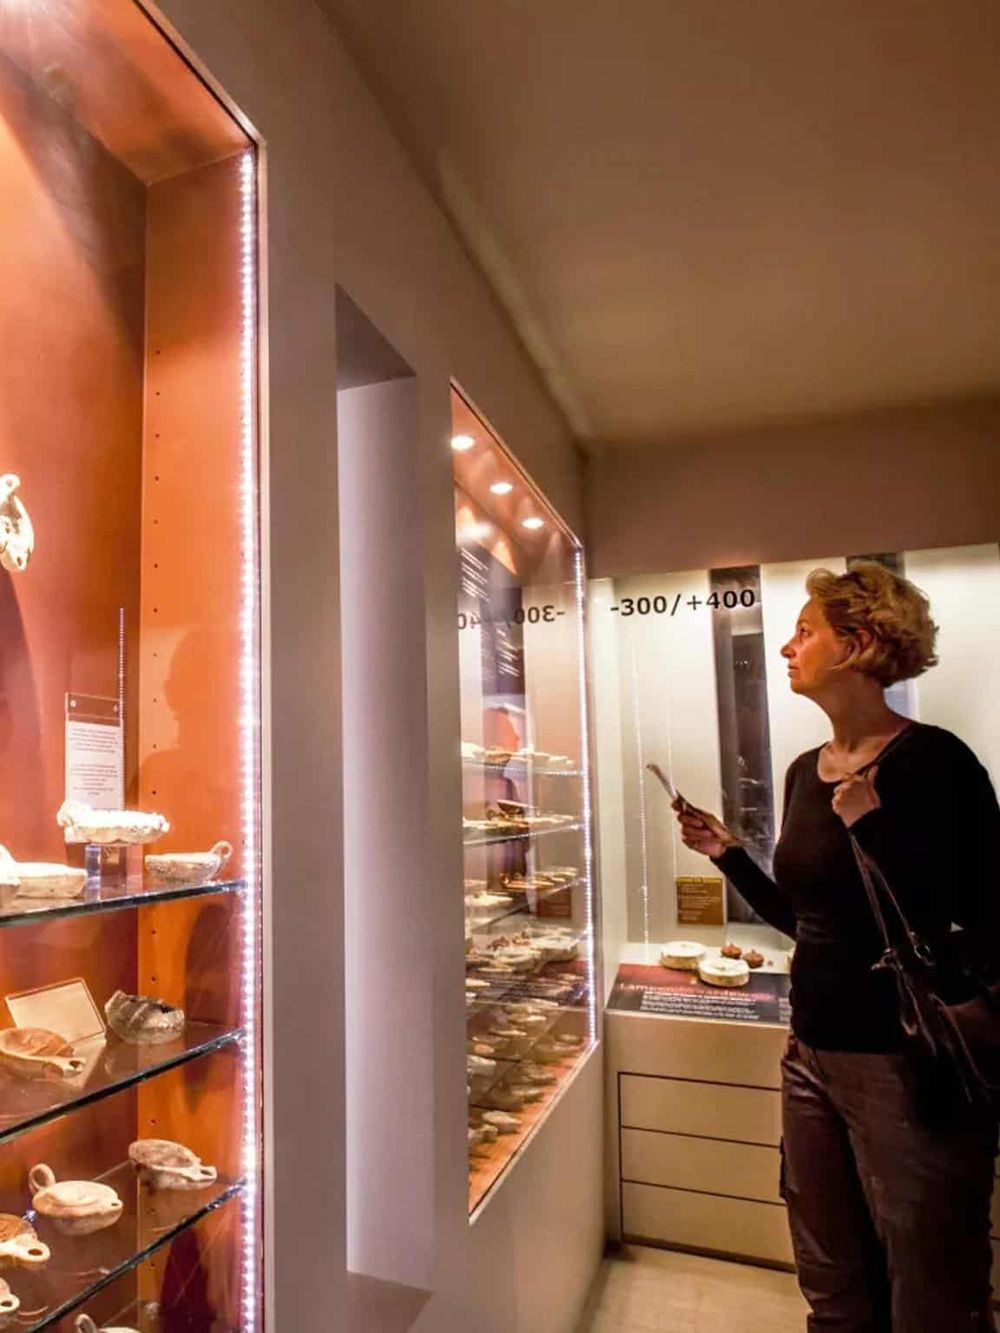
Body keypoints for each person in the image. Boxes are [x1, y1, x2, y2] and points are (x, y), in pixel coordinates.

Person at [676, 562, 1000, 1333]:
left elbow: (983, 919)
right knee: (830, 1273)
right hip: (810, 1052)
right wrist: (729, 856)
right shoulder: (802, 773)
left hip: (907, 1062)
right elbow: (813, 923)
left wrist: (875, 825)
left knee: (932, 1286)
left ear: (856, 643)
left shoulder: (934, 762)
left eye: (805, 631)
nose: (787, 647)